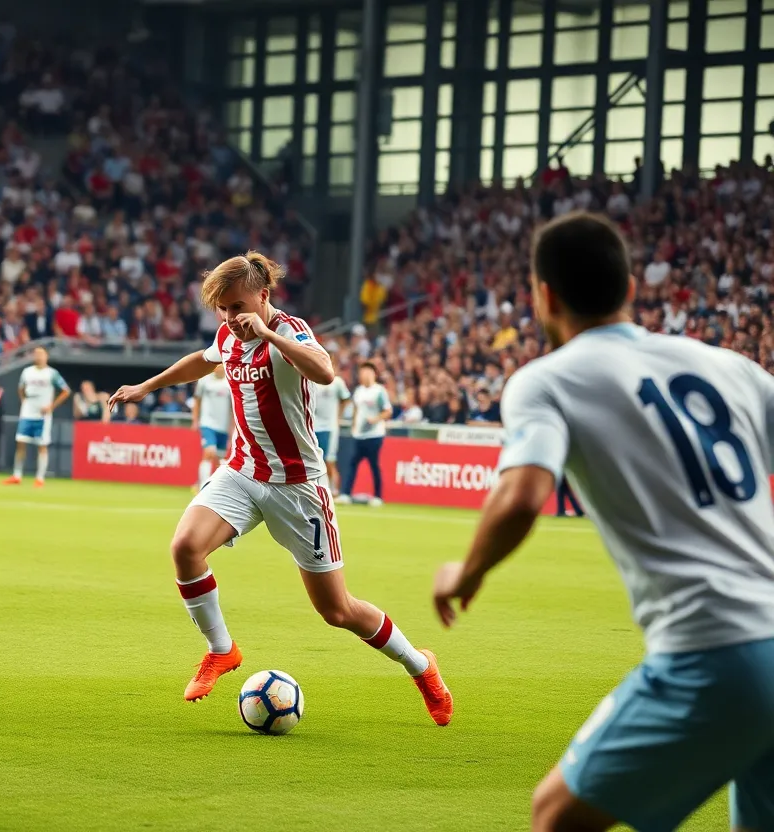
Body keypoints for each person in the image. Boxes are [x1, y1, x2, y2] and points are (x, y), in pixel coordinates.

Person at [432, 212, 774, 832]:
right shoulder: (731, 368)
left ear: (544, 296)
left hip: (716, 649)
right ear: (631, 288)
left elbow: (520, 496)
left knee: (556, 816)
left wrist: (468, 570)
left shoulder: (548, 380)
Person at [108, 251, 452, 723]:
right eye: (223, 310)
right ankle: (221, 650)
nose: (230, 317)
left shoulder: (289, 330)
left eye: (237, 306)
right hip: (242, 473)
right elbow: (201, 361)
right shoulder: (228, 334)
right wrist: (146, 387)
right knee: (186, 546)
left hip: (298, 487)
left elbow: (326, 372)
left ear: (264, 296)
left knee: (337, 610)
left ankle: (420, 666)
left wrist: (269, 333)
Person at [3, 346, 70, 487]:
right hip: (27, 413)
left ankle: (40, 478)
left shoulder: (52, 373)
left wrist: (51, 406)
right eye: (36, 354)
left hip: (42, 415)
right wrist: (24, 401)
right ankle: (17, 475)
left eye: (41, 354)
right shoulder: (27, 372)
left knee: (42, 445)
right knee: (21, 442)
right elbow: (20, 388)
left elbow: (66, 391)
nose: (38, 356)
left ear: (46, 356)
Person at [339, 363, 391, 506]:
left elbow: (387, 411)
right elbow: (356, 410)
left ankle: (378, 496)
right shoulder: (359, 391)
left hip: (374, 434)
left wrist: (375, 419)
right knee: (352, 464)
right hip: (359, 435)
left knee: (374, 465)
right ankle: (345, 494)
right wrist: (354, 426)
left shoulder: (379, 391)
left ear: (374, 374)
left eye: (367, 372)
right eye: (362, 372)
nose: (364, 375)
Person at [192, 363, 232, 490]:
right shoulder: (204, 380)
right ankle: (203, 487)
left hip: (223, 426)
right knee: (209, 452)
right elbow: (197, 400)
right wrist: (195, 420)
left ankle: (220, 487)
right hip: (207, 423)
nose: (218, 367)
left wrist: (233, 428)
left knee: (221, 457)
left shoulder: (230, 382)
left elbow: (234, 408)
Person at [312, 365, 352, 493]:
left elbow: (346, 399)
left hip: (329, 427)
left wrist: (338, 416)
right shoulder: (311, 380)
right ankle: (319, 488)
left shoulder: (337, 382)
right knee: (315, 460)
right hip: (313, 426)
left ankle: (334, 489)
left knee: (329, 460)